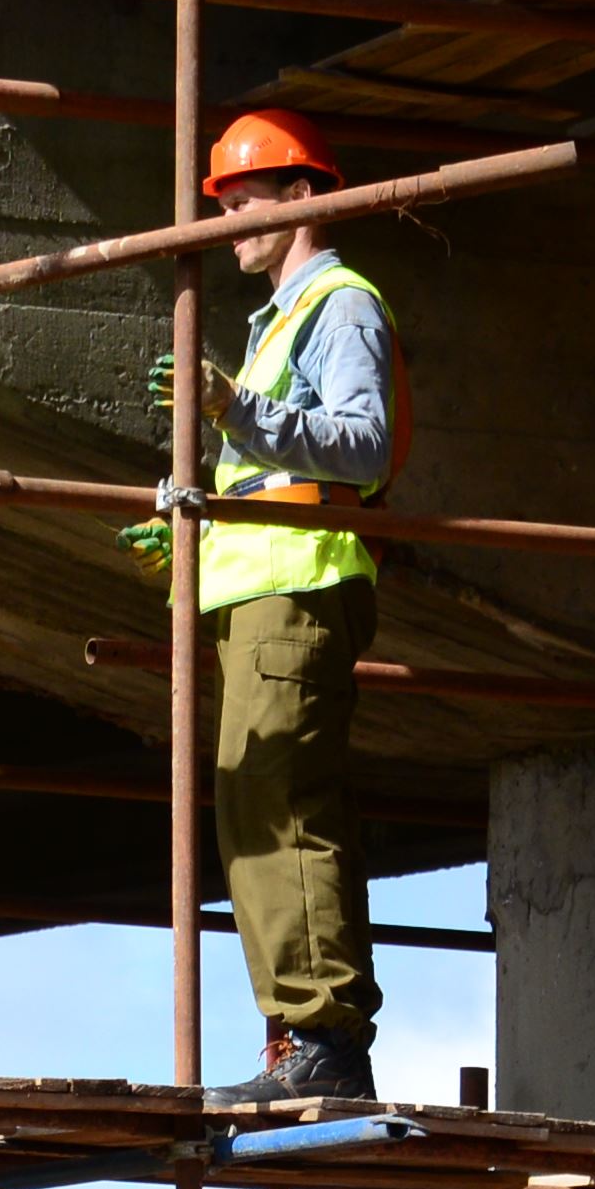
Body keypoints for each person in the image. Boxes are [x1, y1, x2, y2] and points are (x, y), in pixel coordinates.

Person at [146, 105, 398, 1107]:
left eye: (243, 199)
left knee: (284, 807)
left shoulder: (339, 301)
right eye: (219, 204)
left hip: (296, 586)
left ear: (304, 197)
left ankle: (325, 1039)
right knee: (256, 808)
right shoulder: (280, 319)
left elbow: (363, 445)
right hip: (260, 589)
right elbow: (271, 468)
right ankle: (303, 1035)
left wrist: (230, 410)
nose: (227, 220)